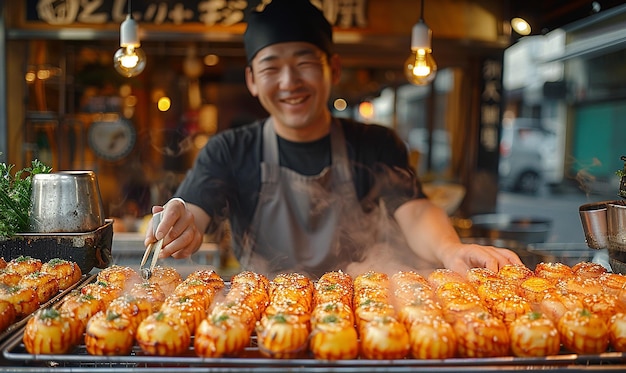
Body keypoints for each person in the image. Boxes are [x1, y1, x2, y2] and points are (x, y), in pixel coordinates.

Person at [144, 0, 523, 278]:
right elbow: (193, 210)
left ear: (333, 68)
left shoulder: (374, 143)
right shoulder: (229, 149)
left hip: (360, 327)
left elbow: (416, 210)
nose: (289, 82)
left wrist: (449, 248)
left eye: (304, 62)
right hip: (259, 331)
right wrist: (180, 224)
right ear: (252, 81)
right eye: (271, 67)